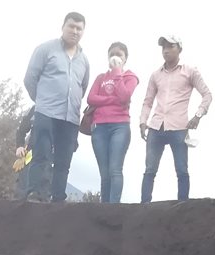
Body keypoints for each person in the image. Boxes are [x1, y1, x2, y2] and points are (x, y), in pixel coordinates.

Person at [23, 12, 90, 203]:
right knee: (41, 154)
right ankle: (35, 195)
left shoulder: (84, 60)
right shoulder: (45, 49)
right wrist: (42, 101)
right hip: (46, 112)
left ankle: (58, 199)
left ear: (83, 31)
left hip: (70, 118)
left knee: (64, 161)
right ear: (63, 27)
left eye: (79, 28)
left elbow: (82, 86)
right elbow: (30, 79)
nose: (75, 31)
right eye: (71, 26)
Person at [140, 34, 213, 203]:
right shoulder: (155, 74)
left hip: (179, 126)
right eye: (163, 47)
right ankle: (144, 207)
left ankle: (183, 207)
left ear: (179, 49)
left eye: (170, 46)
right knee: (150, 170)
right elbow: (148, 101)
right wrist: (143, 121)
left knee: (181, 169)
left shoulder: (189, 71)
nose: (166, 50)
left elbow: (207, 94)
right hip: (156, 126)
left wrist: (198, 115)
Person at [86, 42, 139, 203]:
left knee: (115, 169)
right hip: (99, 127)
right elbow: (91, 98)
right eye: (112, 54)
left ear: (125, 58)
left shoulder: (130, 77)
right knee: (104, 173)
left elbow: (124, 97)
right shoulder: (101, 78)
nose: (115, 57)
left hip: (120, 126)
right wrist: (112, 100)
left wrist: (117, 72)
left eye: (119, 54)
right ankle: (104, 207)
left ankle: (114, 207)